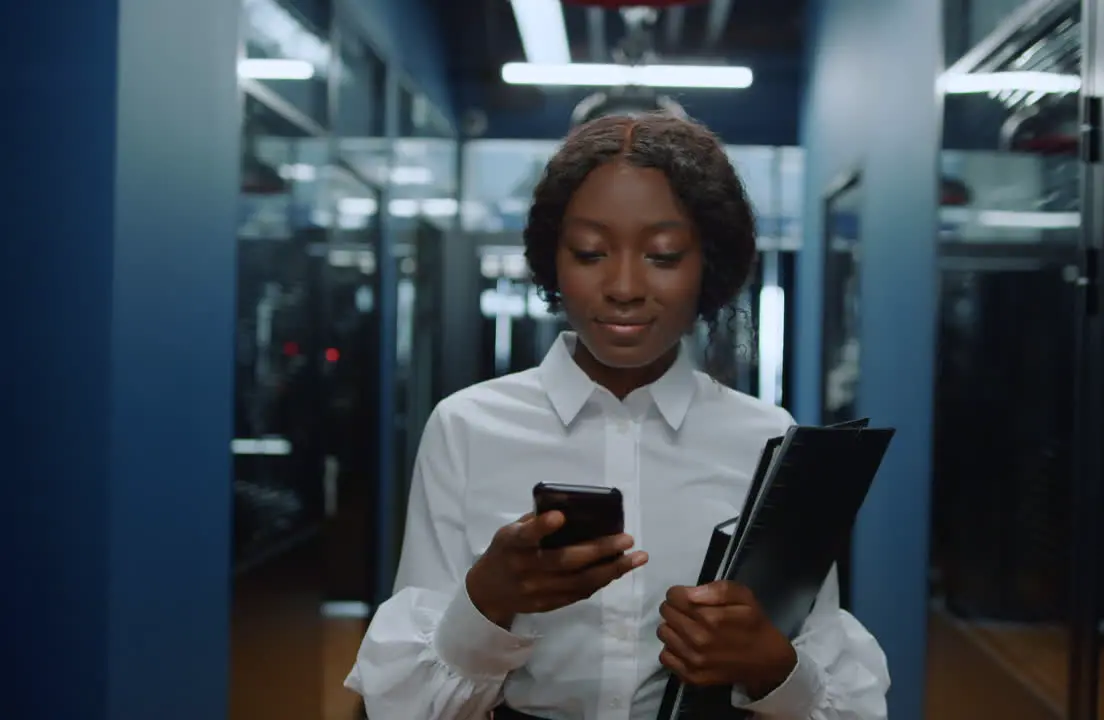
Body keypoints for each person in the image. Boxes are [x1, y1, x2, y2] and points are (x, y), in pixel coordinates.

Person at [345, 113, 889, 720]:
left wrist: (771, 666)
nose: (624, 286)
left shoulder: (768, 439)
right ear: (553, 259)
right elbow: (407, 707)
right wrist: (485, 601)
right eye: (590, 252)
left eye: (663, 255)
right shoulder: (466, 428)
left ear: (708, 262)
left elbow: (839, 700)